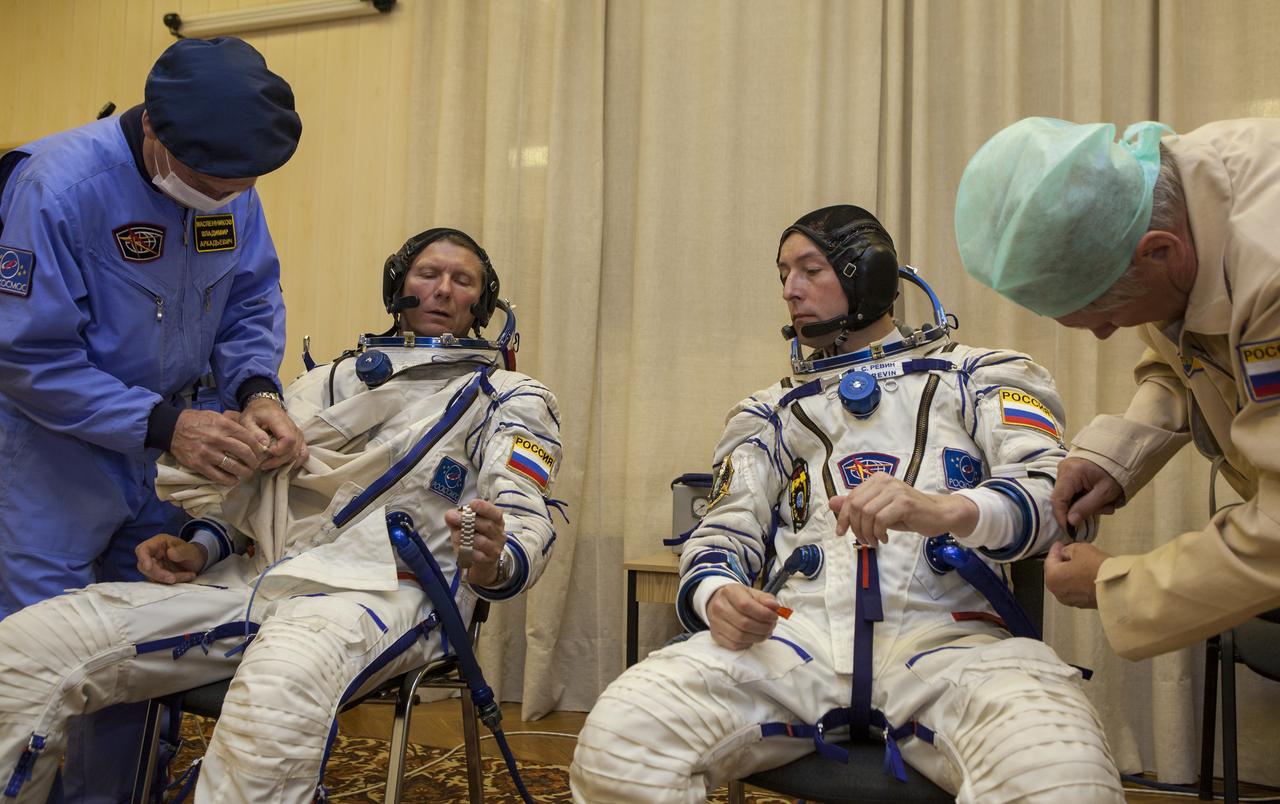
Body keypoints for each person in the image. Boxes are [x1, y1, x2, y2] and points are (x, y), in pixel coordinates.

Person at [571, 205, 1122, 803]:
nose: (790, 289)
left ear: (870, 275)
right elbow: (719, 533)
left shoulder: (980, 375)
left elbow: (1058, 498)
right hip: (794, 640)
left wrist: (945, 510)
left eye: (810, 270)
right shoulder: (768, 412)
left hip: (951, 644)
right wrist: (716, 594)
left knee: (1061, 778)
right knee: (618, 744)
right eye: (783, 273)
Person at [0, 228, 562, 802]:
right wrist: (201, 547)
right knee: (38, 642)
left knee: (280, 688)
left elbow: (524, 511)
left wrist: (494, 561)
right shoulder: (325, 382)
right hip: (263, 576)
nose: (442, 290)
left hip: (387, 591)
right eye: (427, 274)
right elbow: (259, 497)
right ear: (398, 287)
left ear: (482, 304)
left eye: (461, 280)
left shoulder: (508, 396)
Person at [0, 36, 307, 802]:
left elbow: (250, 301)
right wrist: (168, 426)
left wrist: (257, 392)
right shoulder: (56, 187)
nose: (225, 198)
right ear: (155, 137)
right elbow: (25, 354)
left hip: (166, 467)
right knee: (45, 660)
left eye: (241, 186)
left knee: (139, 656)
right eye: (210, 184)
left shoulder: (230, 184)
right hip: (53, 459)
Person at [955, 117, 1280, 660]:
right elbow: (1188, 351)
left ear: (1159, 252)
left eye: (1105, 313)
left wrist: (1114, 583)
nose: (1108, 333)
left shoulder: (1267, 272)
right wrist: (1114, 456)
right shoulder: (1148, 190)